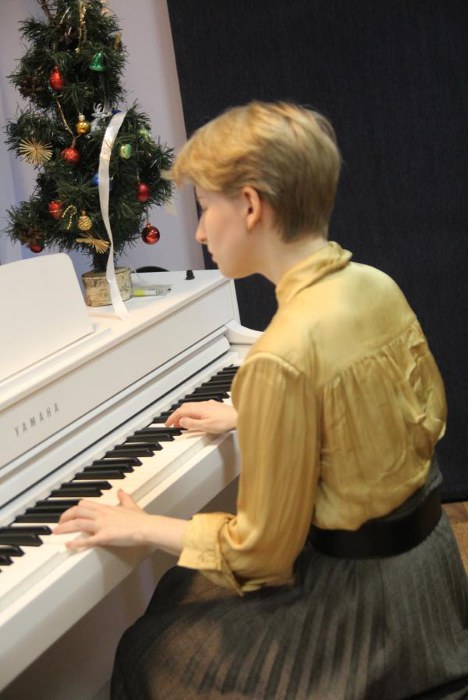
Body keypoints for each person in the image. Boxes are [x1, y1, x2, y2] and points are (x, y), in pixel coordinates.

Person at [55, 102, 468, 699]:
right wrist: (250, 415)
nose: (199, 232)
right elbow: (381, 413)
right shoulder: (374, 283)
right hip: (428, 570)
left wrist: (141, 524)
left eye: (204, 208)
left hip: (366, 613)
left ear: (250, 206)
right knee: (178, 592)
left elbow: (260, 557)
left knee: (148, 649)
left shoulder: (279, 356)